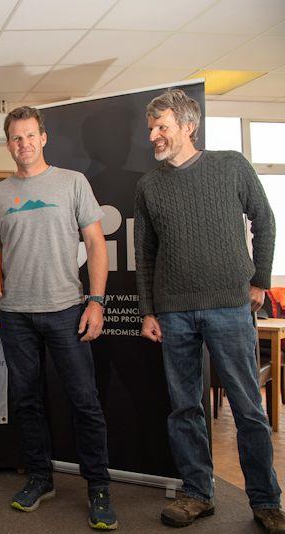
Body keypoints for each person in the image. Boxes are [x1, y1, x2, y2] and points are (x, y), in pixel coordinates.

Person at [135, 89, 283, 533]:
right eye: (151, 128)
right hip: (173, 312)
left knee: (247, 408)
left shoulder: (231, 165)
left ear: (187, 125)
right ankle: (198, 495)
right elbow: (144, 254)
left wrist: (259, 280)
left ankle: (265, 501)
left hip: (229, 307)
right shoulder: (149, 186)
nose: (154, 135)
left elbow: (265, 218)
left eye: (162, 126)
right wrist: (147, 311)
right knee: (184, 408)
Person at [0, 106, 117, 530]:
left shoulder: (72, 183)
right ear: (9, 144)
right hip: (16, 314)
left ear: (43, 137)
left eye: (29, 136)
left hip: (65, 310)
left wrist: (96, 301)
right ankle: (41, 478)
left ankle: (99, 486)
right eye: (15, 138)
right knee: (26, 402)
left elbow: (96, 245)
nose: (23, 145)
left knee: (85, 402)